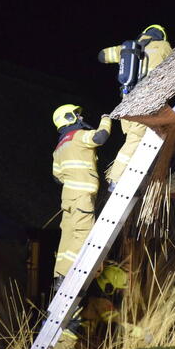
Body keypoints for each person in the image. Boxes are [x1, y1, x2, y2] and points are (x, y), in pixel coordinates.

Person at [98, 25, 173, 190]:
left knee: (133, 139)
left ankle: (131, 176)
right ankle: (115, 179)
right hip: (144, 102)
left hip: (126, 103)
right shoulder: (163, 46)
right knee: (135, 140)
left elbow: (102, 56)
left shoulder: (131, 46)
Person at [51, 104, 111, 285]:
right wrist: (106, 119)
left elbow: (57, 177)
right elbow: (100, 137)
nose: (81, 118)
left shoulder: (59, 147)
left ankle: (59, 275)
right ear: (68, 118)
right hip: (82, 196)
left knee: (67, 237)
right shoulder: (78, 136)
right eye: (77, 115)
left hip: (68, 199)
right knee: (83, 236)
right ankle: (67, 275)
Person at [50, 263, 145, 349]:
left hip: (61, 337)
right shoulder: (102, 302)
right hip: (69, 341)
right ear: (109, 288)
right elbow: (118, 324)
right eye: (119, 290)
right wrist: (143, 334)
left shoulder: (89, 295)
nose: (122, 294)